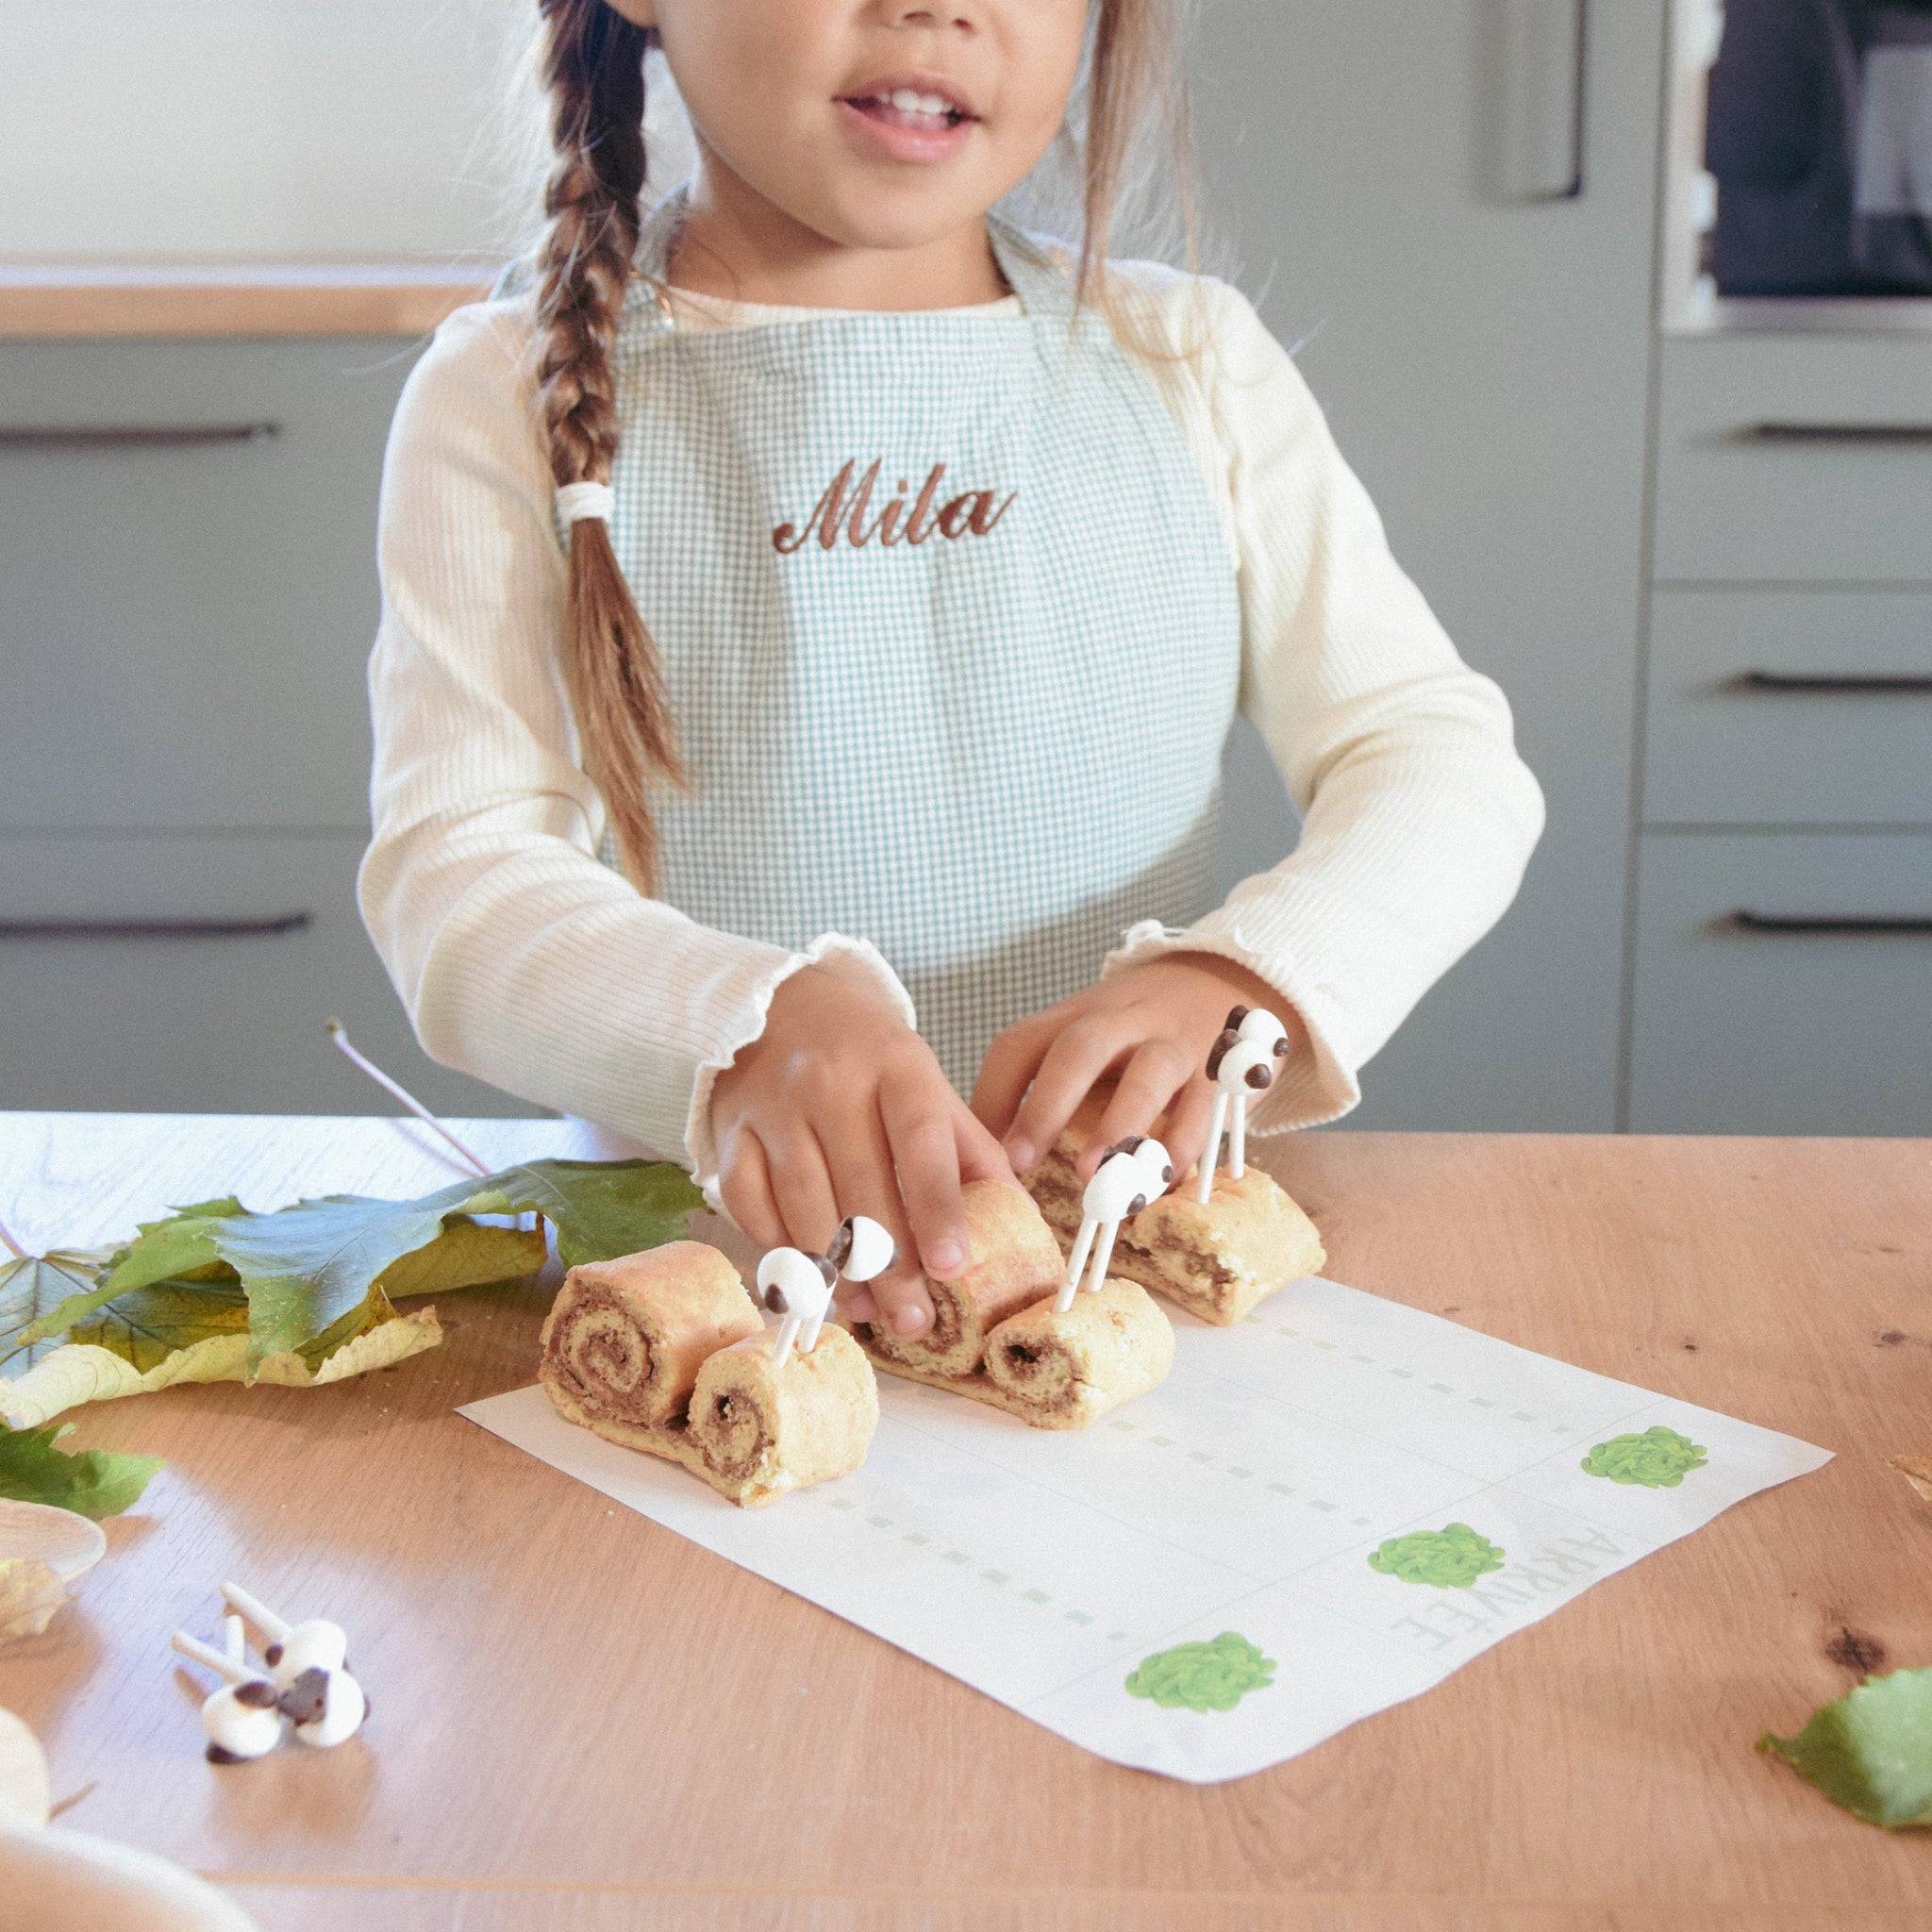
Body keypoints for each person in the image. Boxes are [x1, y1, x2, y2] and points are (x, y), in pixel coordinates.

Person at [359, 0, 1544, 1342]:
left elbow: (1437, 754)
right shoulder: (498, 403)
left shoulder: (1189, 362)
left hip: (1114, 1291)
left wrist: (1255, 978)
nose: (935, 8)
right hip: (707, 1313)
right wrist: (739, 1027)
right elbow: (457, 880)